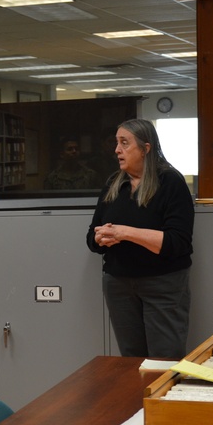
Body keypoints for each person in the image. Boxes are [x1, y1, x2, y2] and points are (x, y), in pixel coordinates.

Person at [86, 119, 194, 359]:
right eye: (116, 143)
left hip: (162, 284)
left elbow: (178, 242)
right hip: (119, 285)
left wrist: (124, 233)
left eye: (124, 143)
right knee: (131, 361)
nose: (117, 150)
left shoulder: (170, 182)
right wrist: (101, 238)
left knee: (164, 360)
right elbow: (91, 238)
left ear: (146, 148)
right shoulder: (114, 183)